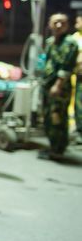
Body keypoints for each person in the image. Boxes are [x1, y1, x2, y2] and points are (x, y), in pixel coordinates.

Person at [38, 13, 78, 160]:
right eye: (56, 22)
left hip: (59, 88)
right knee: (48, 117)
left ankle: (59, 149)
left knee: (58, 117)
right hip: (47, 85)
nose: (59, 25)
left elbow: (66, 67)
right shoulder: (50, 42)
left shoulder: (70, 43)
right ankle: (52, 146)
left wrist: (58, 85)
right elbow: (46, 62)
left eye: (62, 22)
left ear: (68, 25)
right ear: (50, 24)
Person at [72, 14, 82, 144]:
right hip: (77, 77)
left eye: (79, 21)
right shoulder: (74, 38)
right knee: (77, 104)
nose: (77, 23)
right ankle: (79, 130)